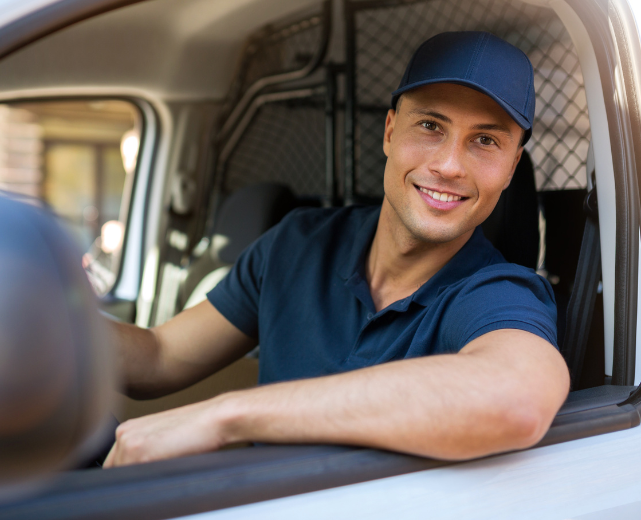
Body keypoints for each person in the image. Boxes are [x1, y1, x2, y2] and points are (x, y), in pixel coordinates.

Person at [103, 31, 569, 468]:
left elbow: (517, 398)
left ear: (510, 169)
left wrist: (223, 416)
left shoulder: (498, 292)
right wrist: (47, 323)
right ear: (389, 132)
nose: (448, 165)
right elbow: (160, 355)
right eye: (430, 125)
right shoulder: (297, 243)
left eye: (485, 141)